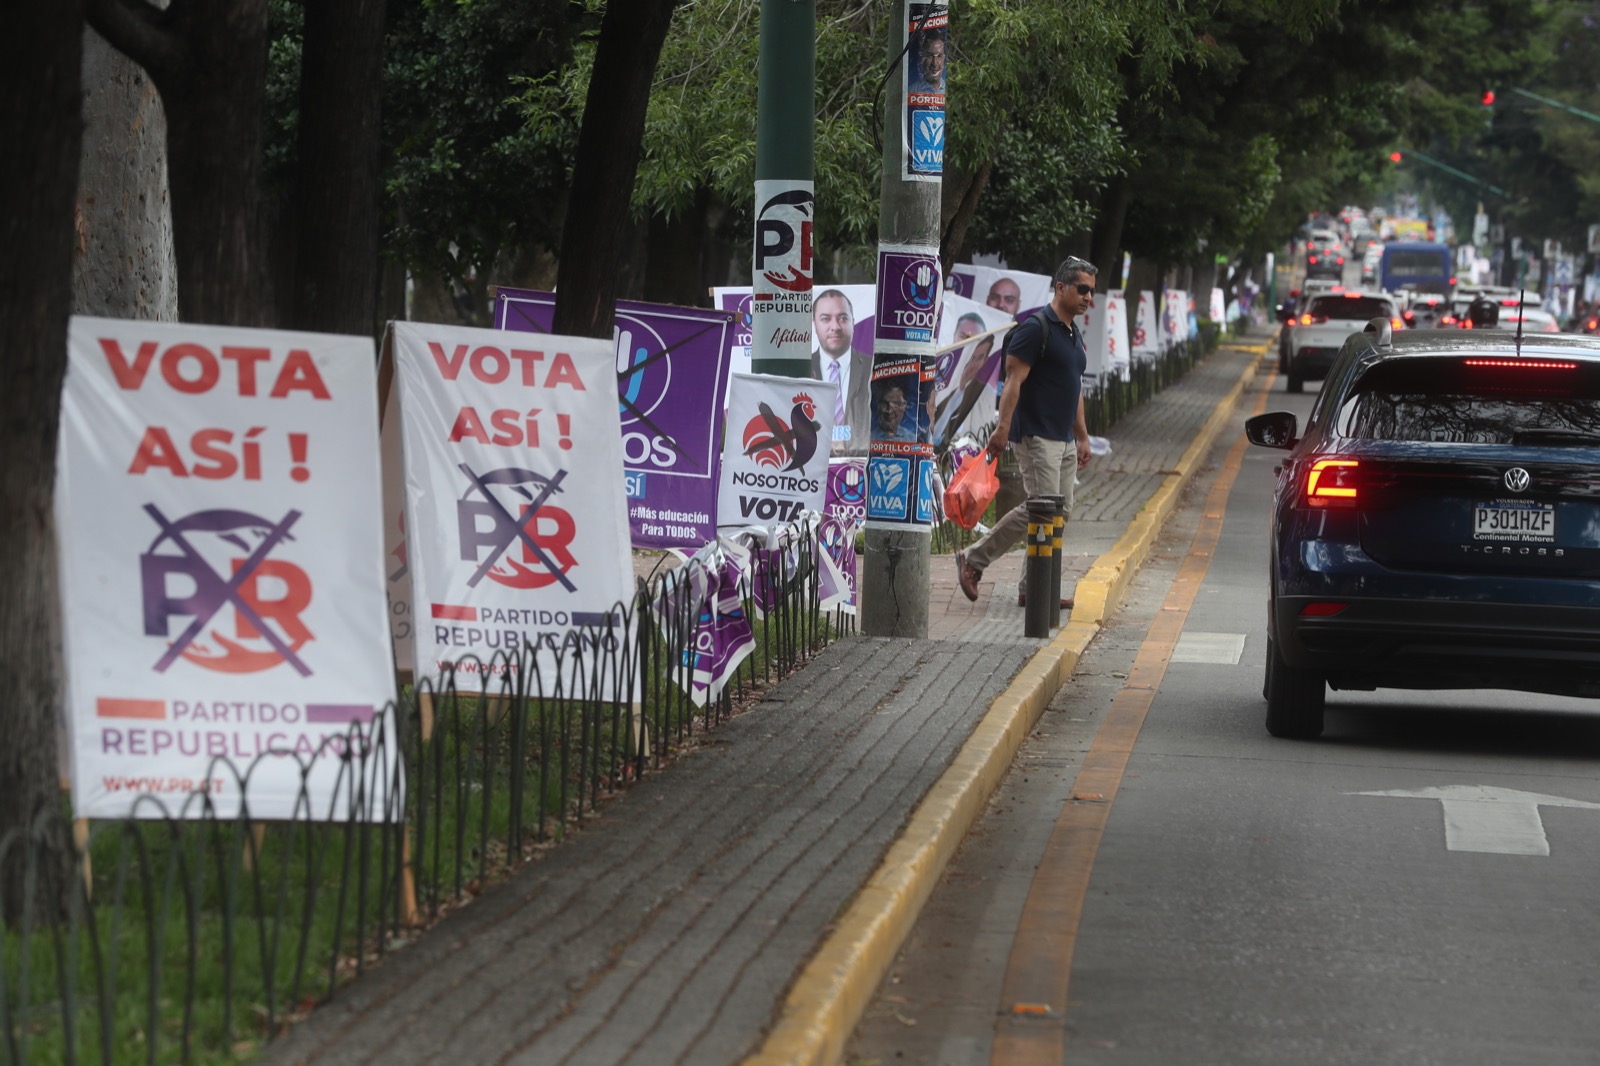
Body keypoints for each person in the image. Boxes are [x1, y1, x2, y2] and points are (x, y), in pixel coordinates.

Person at [957, 257, 1096, 609]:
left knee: (1058, 513)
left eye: (1091, 292)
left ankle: (1034, 588)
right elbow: (1013, 383)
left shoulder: (1072, 333)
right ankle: (973, 558)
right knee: (1041, 509)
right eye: (1082, 289)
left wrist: (1082, 436)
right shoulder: (1035, 328)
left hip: (1063, 438)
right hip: (1036, 435)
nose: (1088, 298)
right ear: (1061, 287)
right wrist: (1002, 429)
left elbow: (1073, 388)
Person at [810, 289, 872, 451]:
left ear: (853, 322)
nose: (835, 327)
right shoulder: (800, 372)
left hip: (860, 465)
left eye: (843, 318)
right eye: (825, 319)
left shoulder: (873, 369)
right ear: (814, 323)